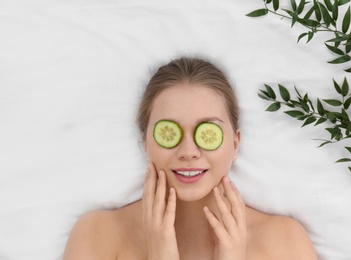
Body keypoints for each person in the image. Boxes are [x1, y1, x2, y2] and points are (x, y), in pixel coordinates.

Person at [63, 57, 318, 259]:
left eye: (208, 133)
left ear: (235, 142)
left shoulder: (285, 241)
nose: (188, 151)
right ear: (145, 141)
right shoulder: (96, 233)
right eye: (169, 132)